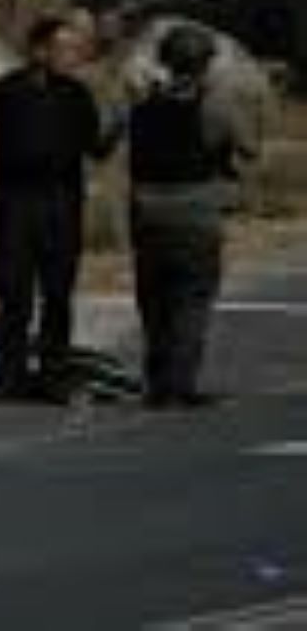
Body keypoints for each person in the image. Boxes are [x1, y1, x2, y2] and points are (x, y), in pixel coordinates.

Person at [0, 17, 116, 401]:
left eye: (75, 49)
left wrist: (120, 126)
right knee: (14, 293)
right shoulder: (8, 89)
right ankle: (9, 376)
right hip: (16, 205)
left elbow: (96, 149)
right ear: (39, 50)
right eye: (64, 48)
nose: (72, 56)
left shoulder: (77, 94)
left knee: (58, 294)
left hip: (62, 206)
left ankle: (54, 378)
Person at [129, 24, 258, 409]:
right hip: (197, 211)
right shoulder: (217, 105)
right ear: (205, 64)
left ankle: (156, 381)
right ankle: (179, 384)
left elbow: (115, 142)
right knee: (191, 301)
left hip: (147, 210)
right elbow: (249, 148)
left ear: (165, 61)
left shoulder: (144, 104)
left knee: (153, 300)